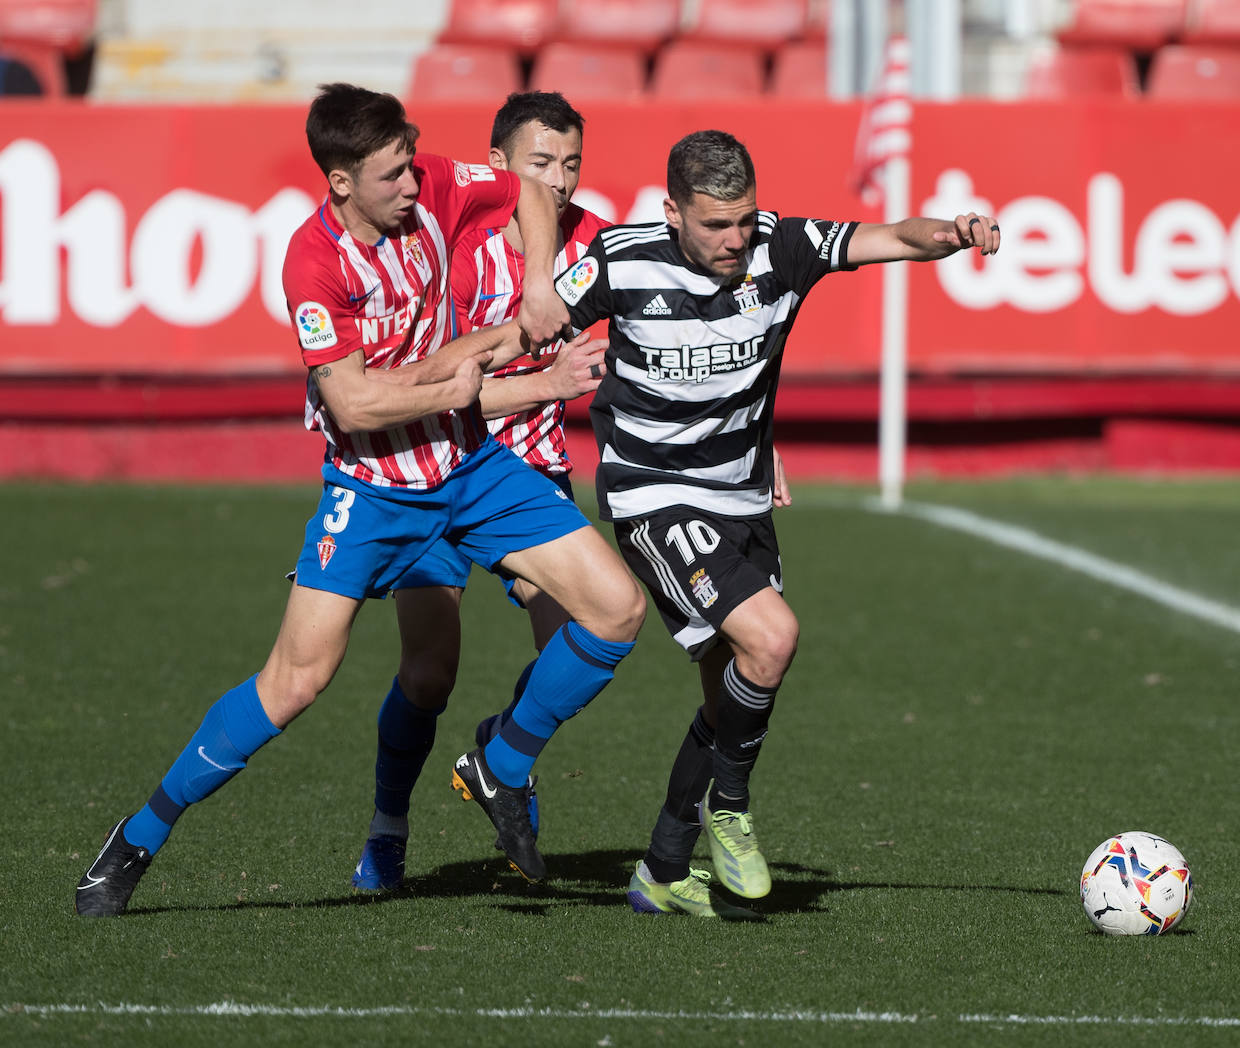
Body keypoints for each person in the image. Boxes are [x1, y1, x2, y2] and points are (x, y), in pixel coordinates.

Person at [75, 83, 645, 917]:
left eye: (411, 166)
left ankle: (503, 764)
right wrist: (460, 374)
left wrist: (530, 288)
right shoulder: (313, 262)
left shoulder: (437, 187)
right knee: (301, 681)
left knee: (617, 609)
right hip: (375, 492)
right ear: (341, 182)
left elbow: (524, 190)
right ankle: (139, 835)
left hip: (473, 470)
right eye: (392, 176)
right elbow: (353, 407)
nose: (414, 187)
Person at [550, 129, 999, 917]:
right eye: (715, 223)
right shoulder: (621, 259)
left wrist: (953, 234)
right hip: (652, 492)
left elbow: (894, 235)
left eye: (744, 220)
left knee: (730, 699)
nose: (734, 239)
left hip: (744, 497)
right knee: (772, 637)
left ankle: (661, 869)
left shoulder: (783, 247)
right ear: (672, 213)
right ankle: (730, 808)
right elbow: (533, 321)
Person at [350, 91, 613, 892]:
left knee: (577, 639)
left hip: (532, 477)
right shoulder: (444, 241)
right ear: (497, 166)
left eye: (571, 164)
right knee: (429, 675)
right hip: (437, 470)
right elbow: (434, 388)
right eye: (541, 164)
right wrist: (544, 385)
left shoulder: (596, 244)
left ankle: (505, 761)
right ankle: (388, 827)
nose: (559, 181)